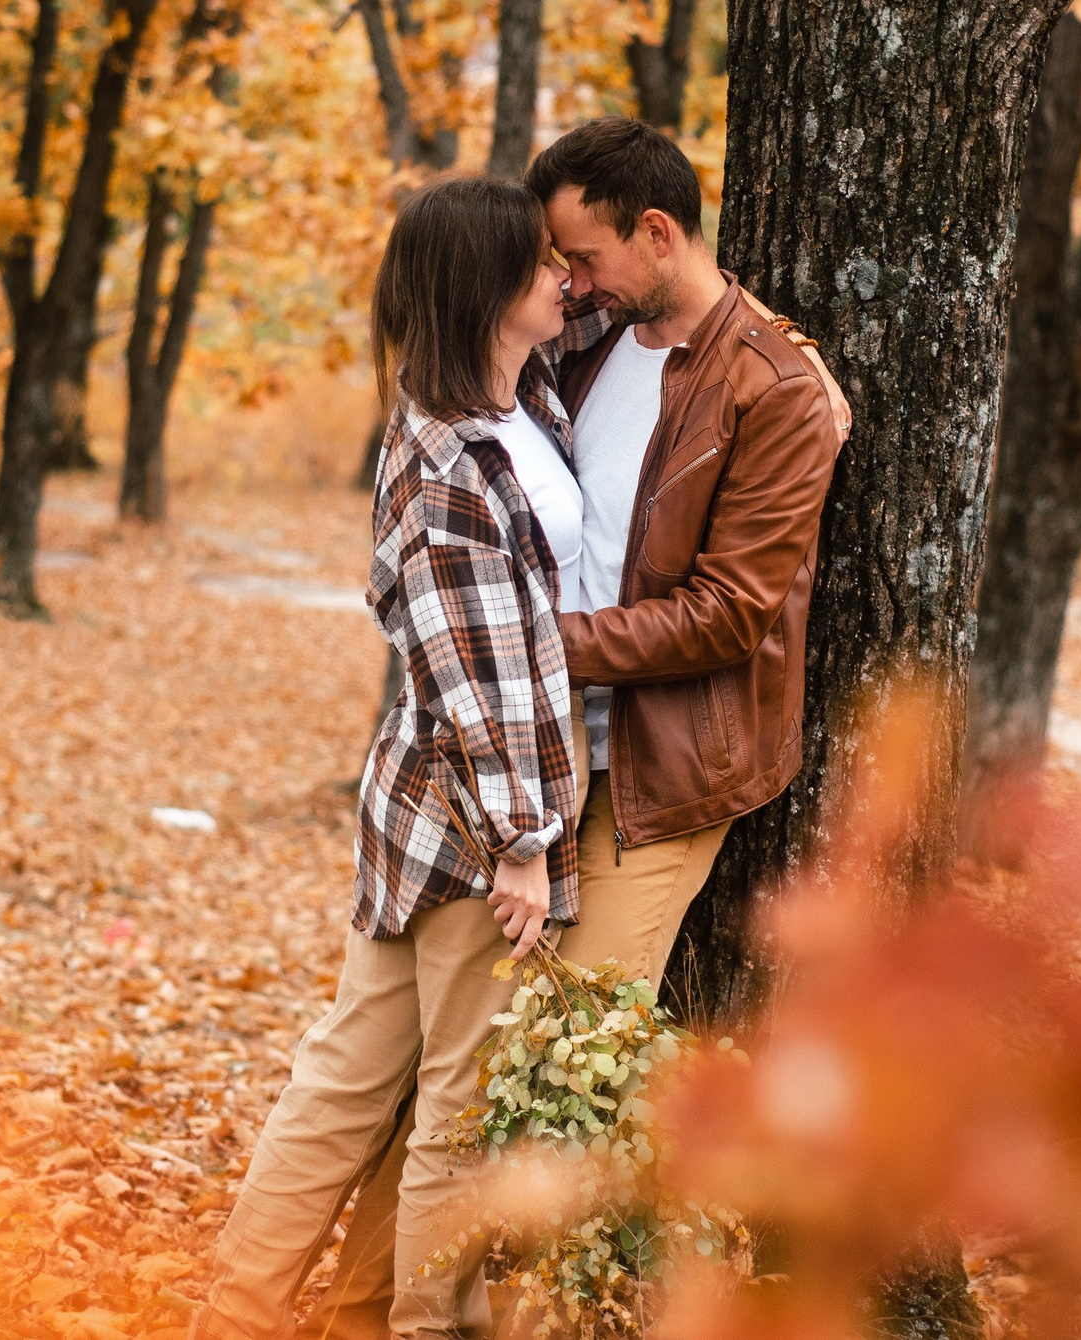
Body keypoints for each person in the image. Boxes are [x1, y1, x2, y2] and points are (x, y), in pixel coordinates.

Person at [294, 118, 849, 1339]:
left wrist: (527, 650)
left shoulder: (766, 387)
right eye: (552, 262)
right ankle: (371, 1310)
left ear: (654, 233)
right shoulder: (589, 342)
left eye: (581, 256)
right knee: (463, 1074)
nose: (567, 280)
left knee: (552, 1071)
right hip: (535, 765)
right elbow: (468, 347)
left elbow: (732, 612)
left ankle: (523, 1314)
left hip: (656, 773)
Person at [196, 175, 587, 1340]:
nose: (563, 275)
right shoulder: (447, 462)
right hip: (469, 823)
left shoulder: (519, 399)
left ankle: (237, 1313)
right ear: (484, 288)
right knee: (450, 1108)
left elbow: (646, 301)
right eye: (539, 261)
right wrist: (524, 843)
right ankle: (421, 1327)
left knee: (349, 1077)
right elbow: (481, 676)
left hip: (426, 805)